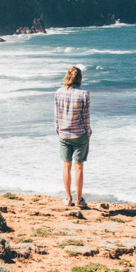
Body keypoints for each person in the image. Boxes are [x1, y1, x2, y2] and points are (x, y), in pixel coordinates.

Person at [54, 66, 91, 207]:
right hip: (79, 134)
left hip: (63, 133)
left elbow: (56, 115)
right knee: (79, 166)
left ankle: (68, 198)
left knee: (66, 165)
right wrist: (88, 132)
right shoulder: (84, 94)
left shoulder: (58, 92)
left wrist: (58, 130)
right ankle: (80, 199)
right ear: (79, 78)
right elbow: (86, 117)